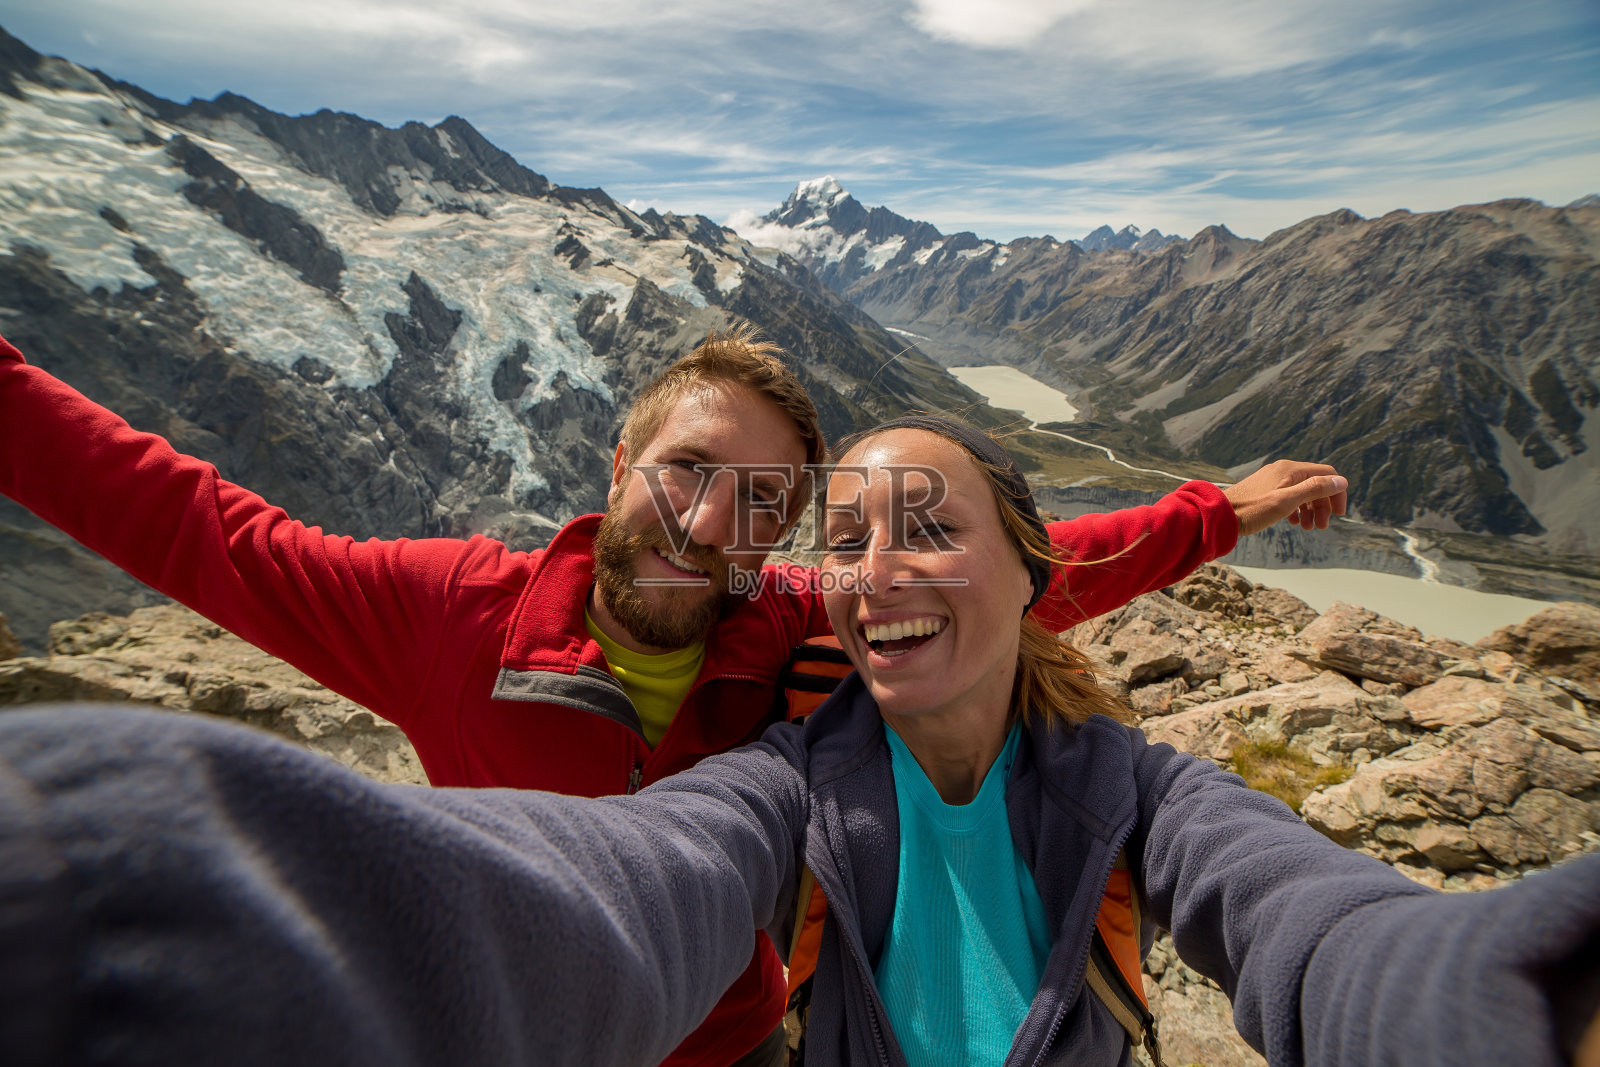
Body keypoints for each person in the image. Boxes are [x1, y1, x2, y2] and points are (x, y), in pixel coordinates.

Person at [0, 417, 1595, 1066]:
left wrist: (1466, 987)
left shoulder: (825, 663)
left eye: (760, 506)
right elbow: (643, 874)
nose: (709, 528)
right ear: (618, 460)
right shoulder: (474, 626)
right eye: (686, 476)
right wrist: (243, 899)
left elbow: (1298, 915)